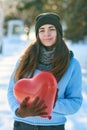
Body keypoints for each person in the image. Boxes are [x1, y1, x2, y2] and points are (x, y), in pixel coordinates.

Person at [7, 12, 83, 130]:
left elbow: (75, 102)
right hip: (22, 124)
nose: (46, 34)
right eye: (42, 30)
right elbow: (12, 90)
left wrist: (51, 104)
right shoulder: (24, 60)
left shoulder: (72, 65)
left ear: (58, 32)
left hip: (53, 126)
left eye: (51, 29)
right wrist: (19, 111)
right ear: (37, 34)